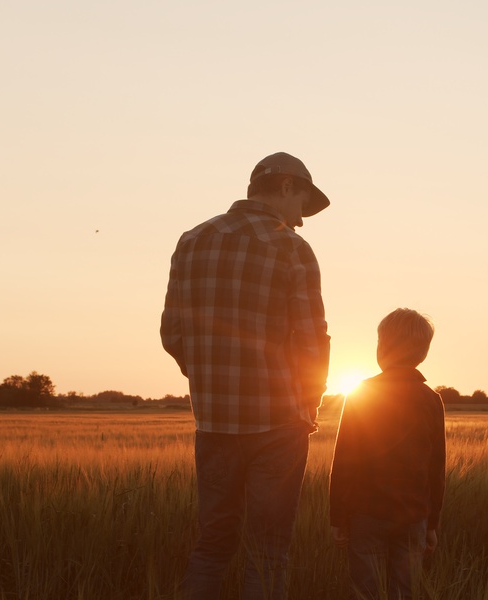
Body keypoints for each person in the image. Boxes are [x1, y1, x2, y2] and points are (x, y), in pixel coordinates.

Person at [160, 152, 331, 600]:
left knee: (213, 544)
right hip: (278, 424)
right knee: (268, 549)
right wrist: (307, 404)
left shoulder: (192, 240)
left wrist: (207, 377)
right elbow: (313, 339)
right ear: (288, 187)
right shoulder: (291, 248)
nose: (301, 220)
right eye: (303, 206)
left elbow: (172, 332)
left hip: (213, 424)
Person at [329, 308, 446, 600]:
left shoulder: (361, 394)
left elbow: (343, 462)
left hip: (366, 514)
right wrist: (432, 524)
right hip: (413, 516)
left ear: (382, 348)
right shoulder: (431, 400)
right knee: (405, 592)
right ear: (423, 353)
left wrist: (338, 518)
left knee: (365, 591)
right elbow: (436, 469)